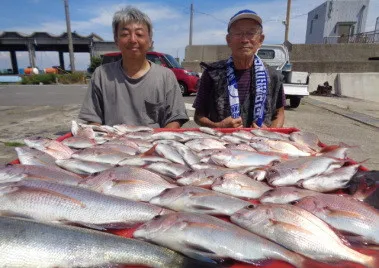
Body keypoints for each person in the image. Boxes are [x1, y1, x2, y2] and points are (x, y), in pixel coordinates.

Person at [79, 6, 189, 128]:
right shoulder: (101, 74)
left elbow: (175, 118)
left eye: (139, 34)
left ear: (150, 41)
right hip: (114, 145)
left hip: (155, 143)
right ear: (116, 40)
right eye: (125, 34)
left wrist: (159, 142)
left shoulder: (166, 76)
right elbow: (93, 119)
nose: (132, 39)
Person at [193, 9, 285, 128]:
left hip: (261, 145)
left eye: (251, 33)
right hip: (221, 144)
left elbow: (279, 114)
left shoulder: (274, 76)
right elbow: (198, 116)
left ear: (260, 40)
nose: (244, 40)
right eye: (238, 33)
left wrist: (271, 132)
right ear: (228, 40)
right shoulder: (212, 73)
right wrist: (218, 126)